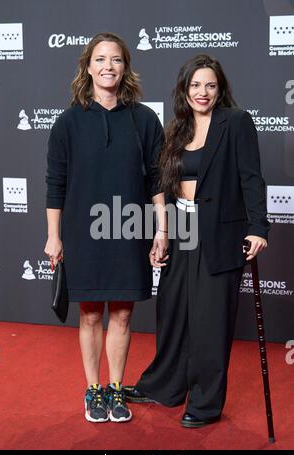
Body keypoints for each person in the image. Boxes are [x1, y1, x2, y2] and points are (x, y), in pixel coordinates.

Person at [124, 54, 270, 428]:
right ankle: (165, 386)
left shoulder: (235, 122)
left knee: (210, 322)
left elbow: (251, 177)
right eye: (195, 85)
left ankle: (205, 404)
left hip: (220, 234)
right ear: (184, 89)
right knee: (173, 313)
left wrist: (258, 227)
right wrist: (164, 234)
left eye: (210, 85)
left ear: (220, 89)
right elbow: (167, 187)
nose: (202, 92)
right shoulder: (177, 129)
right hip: (181, 231)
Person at [44, 32, 167, 424]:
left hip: (130, 230)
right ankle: (93, 389)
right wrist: (53, 235)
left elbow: (158, 183)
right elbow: (55, 182)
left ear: (125, 67)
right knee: (92, 314)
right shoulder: (67, 122)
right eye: (100, 59)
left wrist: (162, 230)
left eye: (115, 59)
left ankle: (116, 389)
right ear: (88, 66)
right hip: (84, 232)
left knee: (125, 315)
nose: (108, 66)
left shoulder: (145, 120)